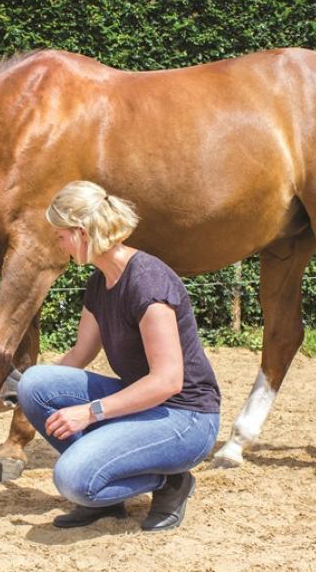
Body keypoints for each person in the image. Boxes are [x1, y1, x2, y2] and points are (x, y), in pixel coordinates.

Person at [17, 180, 221, 531]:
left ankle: (171, 482)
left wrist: (90, 412)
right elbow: (81, 353)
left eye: (61, 235)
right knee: (34, 383)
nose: (59, 243)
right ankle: (106, 498)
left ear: (81, 233)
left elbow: (168, 380)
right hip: (147, 405)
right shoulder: (100, 282)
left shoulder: (147, 281)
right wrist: (13, 392)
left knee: (72, 480)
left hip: (186, 416)